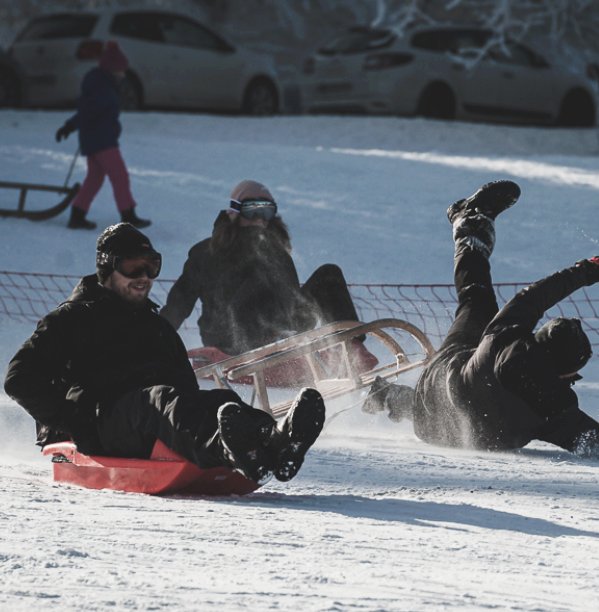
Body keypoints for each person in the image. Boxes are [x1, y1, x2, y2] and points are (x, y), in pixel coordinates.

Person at [5, 223, 326, 485]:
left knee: (216, 400)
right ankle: (228, 449)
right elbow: (20, 378)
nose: (144, 277)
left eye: (152, 266)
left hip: (151, 417)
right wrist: (72, 420)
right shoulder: (72, 319)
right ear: (107, 267)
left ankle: (274, 442)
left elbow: (185, 389)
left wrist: (202, 406)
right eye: (133, 266)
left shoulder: (156, 327)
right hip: (101, 418)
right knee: (158, 399)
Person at [361, 180, 599, 457]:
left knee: (476, 299)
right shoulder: (554, 410)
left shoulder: (503, 338)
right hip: (436, 430)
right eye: (573, 369)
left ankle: (469, 223)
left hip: (439, 386)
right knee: (460, 405)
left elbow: (533, 298)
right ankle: (389, 396)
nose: (576, 376)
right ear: (556, 366)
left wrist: (586, 270)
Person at [159, 180, 365, 357]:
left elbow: (292, 299)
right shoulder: (205, 252)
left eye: (266, 211)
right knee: (256, 267)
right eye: (252, 210)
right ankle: (277, 338)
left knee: (329, 274)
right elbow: (179, 304)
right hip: (230, 338)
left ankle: (353, 349)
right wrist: (154, 341)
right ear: (235, 212)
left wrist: (293, 326)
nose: (259, 218)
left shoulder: (275, 252)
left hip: (282, 333)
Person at [55, 40, 150, 230]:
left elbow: (100, 114)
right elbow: (90, 112)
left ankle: (77, 215)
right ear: (113, 69)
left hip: (95, 139)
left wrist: (114, 126)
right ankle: (128, 215)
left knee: (95, 178)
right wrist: (70, 125)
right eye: (122, 70)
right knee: (119, 176)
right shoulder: (103, 88)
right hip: (102, 141)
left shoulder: (103, 84)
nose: (124, 73)